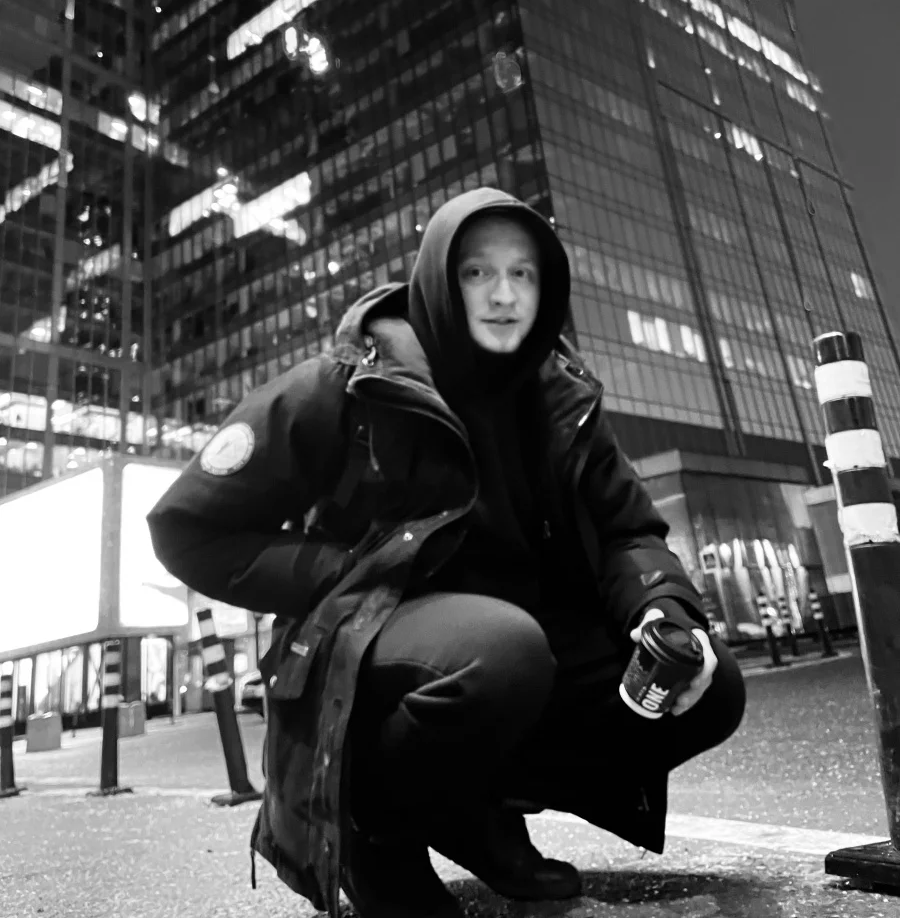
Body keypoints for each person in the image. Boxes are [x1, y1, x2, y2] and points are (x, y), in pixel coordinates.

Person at [147, 186, 746, 918]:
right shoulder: (351, 383)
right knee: (502, 652)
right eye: (477, 272)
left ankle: (475, 813)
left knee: (710, 688)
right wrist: (343, 573)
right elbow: (188, 529)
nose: (504, 295)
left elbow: (628, 531)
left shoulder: (563, 395)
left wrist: (665, 611)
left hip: (515, 649)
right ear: (438, 278)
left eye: (523, 273)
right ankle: (374, 833)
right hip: (387, 644)